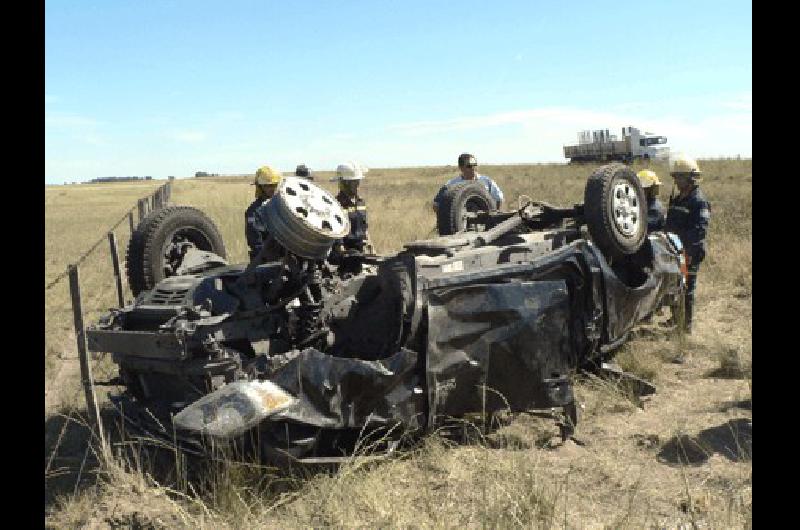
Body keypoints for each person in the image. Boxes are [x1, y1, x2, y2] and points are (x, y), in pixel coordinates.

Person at [664, 155, 711, 333]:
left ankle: (686, 327)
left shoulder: (698, 201)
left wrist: (689, 253)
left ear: (690, 178)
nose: (676, 180)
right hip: (675, 250)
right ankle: (676, 318)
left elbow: (700, 230)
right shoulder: (678, 198)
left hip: (689, 252)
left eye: (679, 177)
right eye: (675, 177)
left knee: (686, 288)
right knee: (675, 286)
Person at [432, 153, 504, 212]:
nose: (473, 168)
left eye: (475, 165)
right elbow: (436, 204)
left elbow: (498, 198)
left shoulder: (487, 181)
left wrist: (495, 216)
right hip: (461, 224)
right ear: (461, 168)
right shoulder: (451, 184)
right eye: (469, 166)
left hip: (485, 222)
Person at [331, 161, 372, 255]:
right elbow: (336, 232)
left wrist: (371, 248)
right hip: (345, 254)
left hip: (361, 251)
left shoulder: (361, 202)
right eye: (355, 182)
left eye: (358, 181)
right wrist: (342, 250)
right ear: (345, 183)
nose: (358, 185)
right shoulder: (336, 205)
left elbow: (364, 227)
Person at [245, 165, 282, 261]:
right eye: (268, 185)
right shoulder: (253, 211)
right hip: (266, 261)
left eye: (274, 185)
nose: (272, 188)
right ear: (260, 187)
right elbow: (255, 242)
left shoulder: (283, 206)